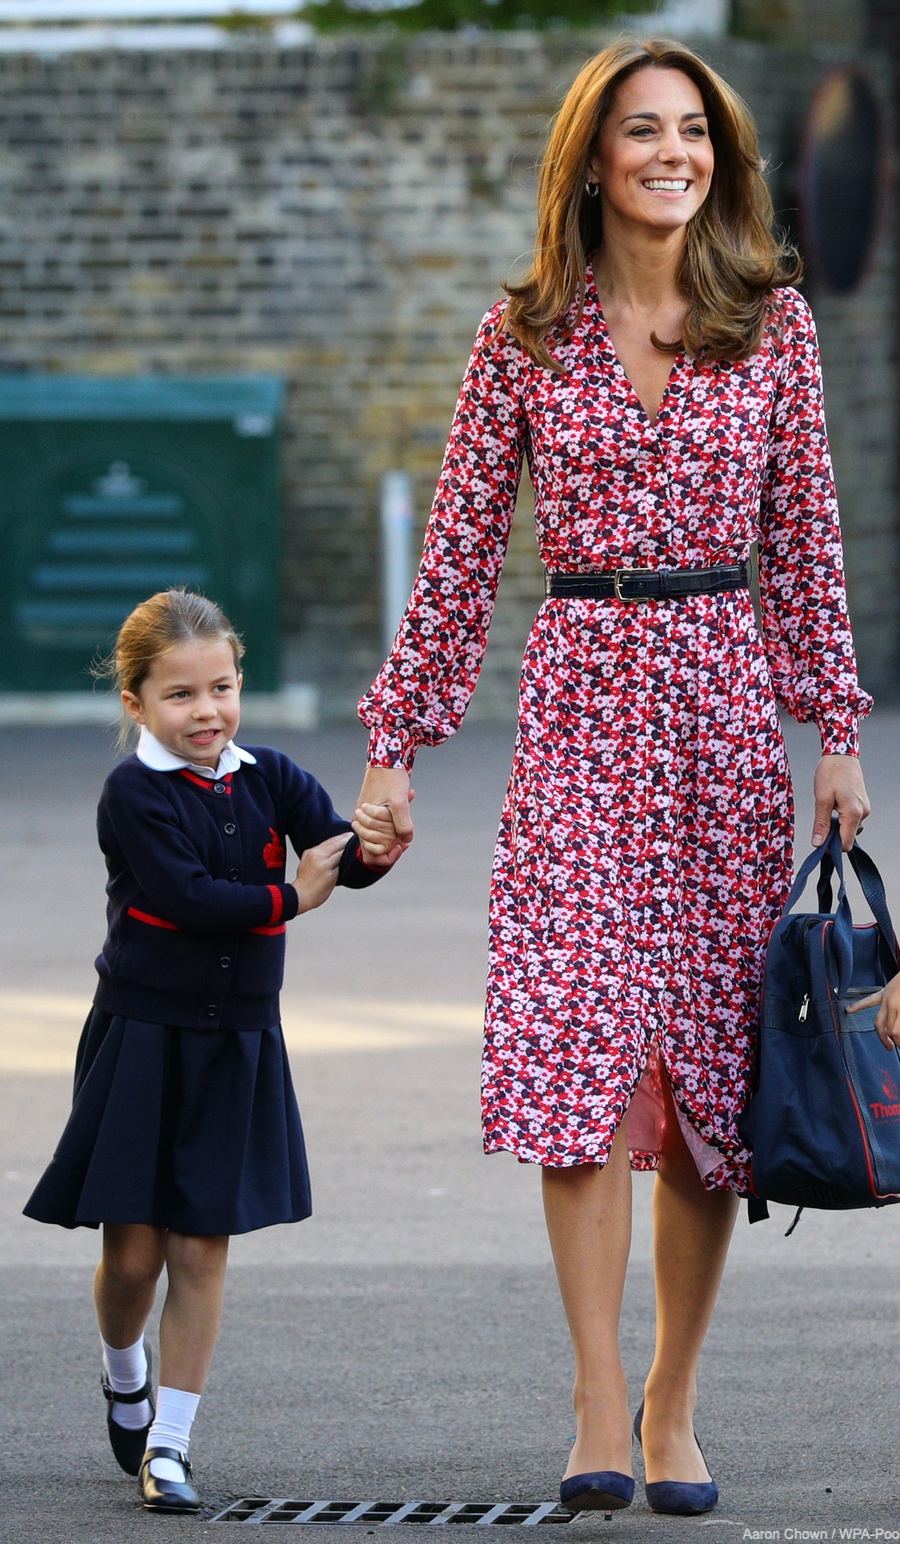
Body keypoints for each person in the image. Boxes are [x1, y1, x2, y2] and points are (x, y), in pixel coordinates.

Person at [352, 37, 872, 1520]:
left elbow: (809, 544)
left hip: (719, 712)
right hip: (579, 708)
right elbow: (456, 563)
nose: (673, 153)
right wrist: (395, 748)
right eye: (642, 131)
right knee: (578, 1059)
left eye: (694, 132)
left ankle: (673, 1407)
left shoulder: (769, 325)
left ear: (721, 154)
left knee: (712, 1074)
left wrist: (832, 725)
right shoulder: (518, 336)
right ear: (592, 156)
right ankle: (593, 1394)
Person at [24, 588, 402, 1514]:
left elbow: (333, 849)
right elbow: (188, 900)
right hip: (144, 1039)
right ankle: (124, 1372)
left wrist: (375, 848)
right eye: (181, 696)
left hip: (238, 1041)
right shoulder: (132, 793)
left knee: (202, 1249)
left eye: (222, 688)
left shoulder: (266, 772)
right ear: (137, 704)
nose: (206, 712)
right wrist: (293, 898)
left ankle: (171, 1447)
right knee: (133, 1258)